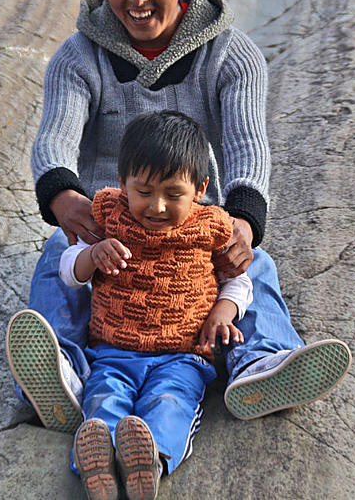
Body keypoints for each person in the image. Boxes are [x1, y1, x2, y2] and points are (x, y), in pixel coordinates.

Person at [5, 0, 350, 437]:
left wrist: (242, 221)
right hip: (108, 221)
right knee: (57, 254)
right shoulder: (77, 58)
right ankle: (64, 372)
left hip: (187, 214)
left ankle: (262, 365)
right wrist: (64, 197)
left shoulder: (233, 57)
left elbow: (246, 147)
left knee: (252, 264)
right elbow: (54, 139)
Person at [61, 111, 252, 500]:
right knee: (104, 397)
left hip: (182, 356)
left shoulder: (210, 227)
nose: (158, 207)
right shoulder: (110, 219)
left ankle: (150, 460)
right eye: (144, 191)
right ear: (122, 184)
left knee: (171, 401)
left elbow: (238, 279)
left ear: (200, 190)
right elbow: (68, 270)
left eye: (173, 194)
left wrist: (222, 311)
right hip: (113, 351)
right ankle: (98, 463)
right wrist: (92, 255)